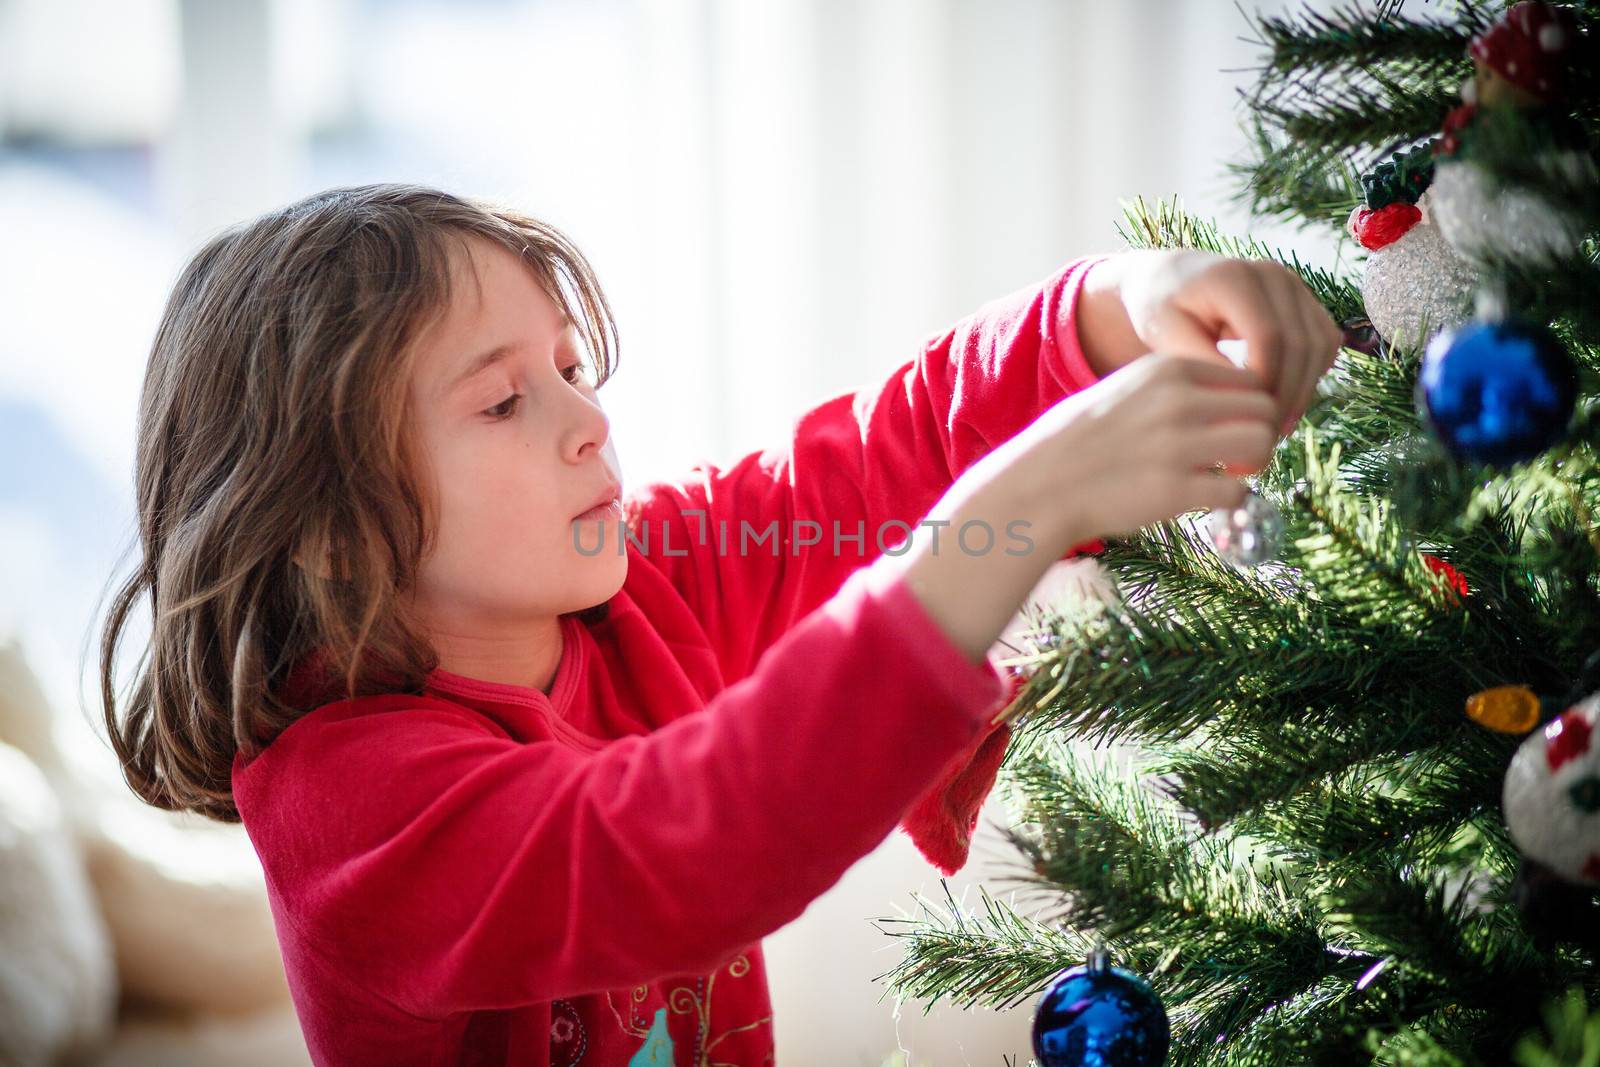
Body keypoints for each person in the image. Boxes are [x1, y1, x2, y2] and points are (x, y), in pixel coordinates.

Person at [98, 182, 1339, 1066]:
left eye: (573, 369)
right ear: (326, 526)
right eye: (502, 402)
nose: (587, 422)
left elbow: (871, 463)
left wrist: (1128, 301)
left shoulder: (638, 588)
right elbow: (682, 846)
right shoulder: (354, 803)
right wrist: (1027, 505)